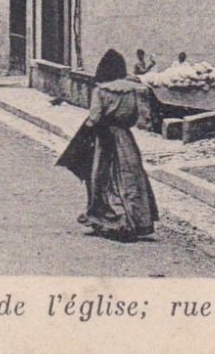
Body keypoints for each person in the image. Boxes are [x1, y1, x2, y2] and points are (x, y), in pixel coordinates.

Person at [55, 49, 158, 240]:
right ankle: (136, 220)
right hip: (125, 138)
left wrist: (82, 137)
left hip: (104, 138)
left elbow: (94, 118)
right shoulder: (135, 89)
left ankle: (112, 219)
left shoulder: (101, 91)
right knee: (131, 176)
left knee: (101, 177)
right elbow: (142, 119)